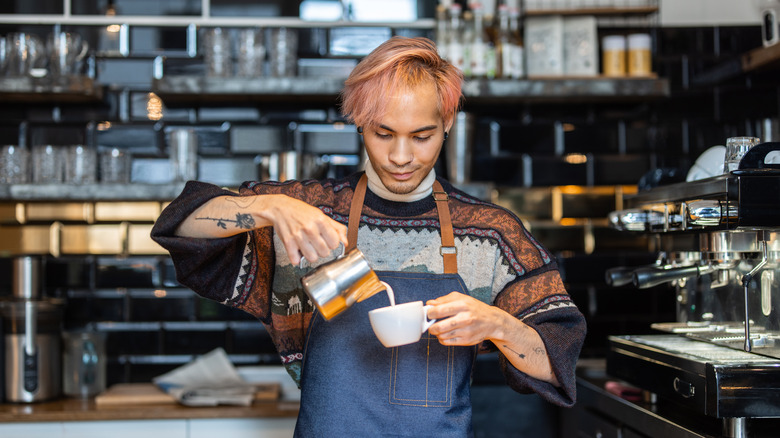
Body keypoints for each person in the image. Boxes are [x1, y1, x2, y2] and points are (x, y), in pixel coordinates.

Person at [151, 36, 585, 437]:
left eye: (422, 136)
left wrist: (498, 324)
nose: (401, 157)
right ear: (360, 122)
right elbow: (180, 224)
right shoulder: (310, 214)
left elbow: (555, 364)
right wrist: (269, 207)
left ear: (447, 121)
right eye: (383, 134)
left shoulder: (490, 233)